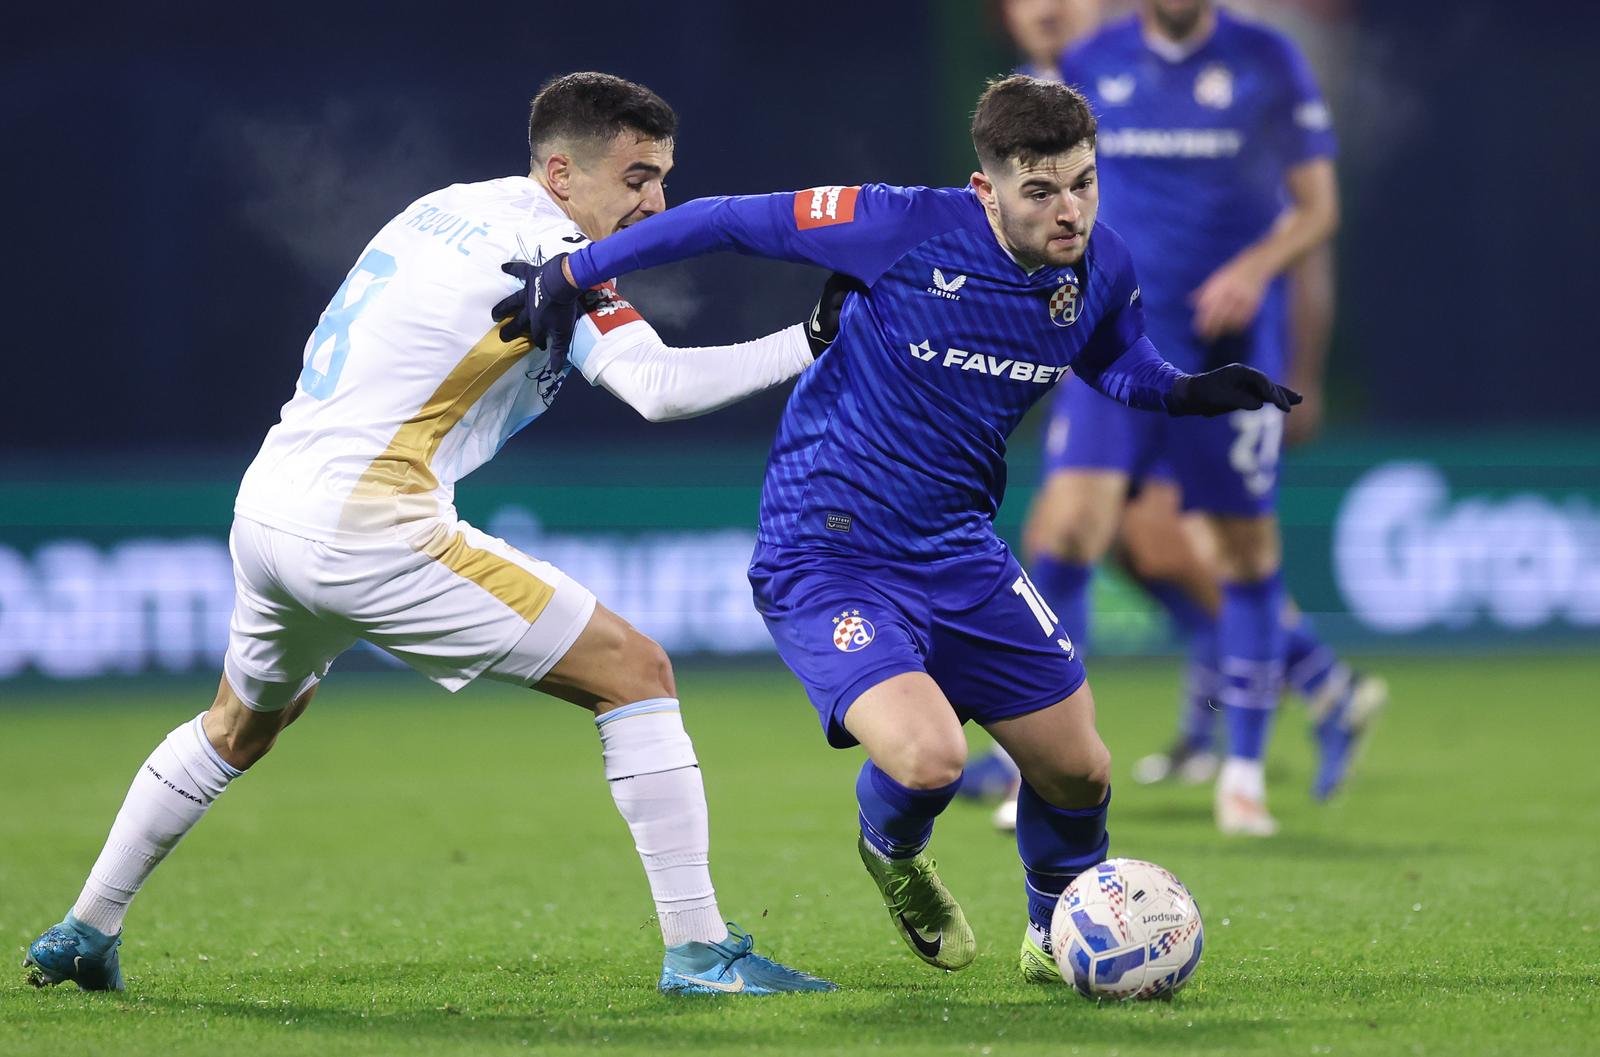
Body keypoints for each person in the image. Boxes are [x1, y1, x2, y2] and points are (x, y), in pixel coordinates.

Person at [22, 72, 834, 997]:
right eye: (638, 177)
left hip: (271, 503)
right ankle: (699, 951)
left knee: (243, 724)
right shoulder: (551, 247)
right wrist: (813, 335)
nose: (658, 202)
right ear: (562, 174)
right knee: (636, 670)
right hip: (370, 522)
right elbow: (659, 389)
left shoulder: (448, 207)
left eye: (663, 176)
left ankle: (85, 927)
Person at [501, 74, 1299, 982]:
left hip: (959, 548)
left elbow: (1116, 362)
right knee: (930, 761)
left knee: (1080, 771)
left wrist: (1188, 392)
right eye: (1040, 191)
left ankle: (1052, 938)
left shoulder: (1101, 264)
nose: (1068, 209)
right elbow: (724, 218)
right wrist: (574, 270)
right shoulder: (900, 225)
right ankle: (893, 851)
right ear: (985, 188)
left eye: (1083, 183)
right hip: (827, 548)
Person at [1017, 0, 1381, 836]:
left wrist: (1259, 273)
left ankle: (1243, 773)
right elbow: (1039, 190)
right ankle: (1046, 762)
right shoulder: (1093, 61)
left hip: (1229, 349)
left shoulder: (1266, 60)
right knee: (1070, 531)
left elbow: (1316, 210)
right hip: (1116, 341)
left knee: (1234, 549)